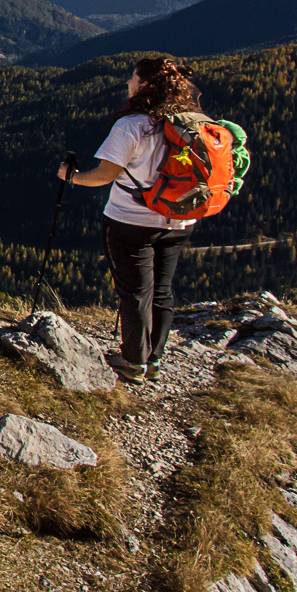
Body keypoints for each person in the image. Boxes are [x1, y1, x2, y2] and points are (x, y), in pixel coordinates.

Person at [58, 56, 209, 382]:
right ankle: (153, 359)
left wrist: (70, 177)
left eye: (133, 78)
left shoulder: (133, 125)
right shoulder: (194, 124)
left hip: (131, 221)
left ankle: (133, 362)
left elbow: (104, 176)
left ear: (145, 86)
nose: (128, 83)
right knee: (162, 290)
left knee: (136, 291)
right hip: (178, 221)